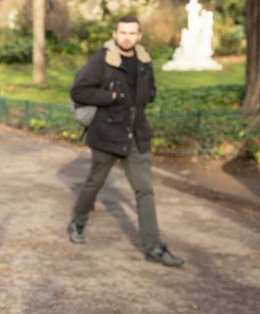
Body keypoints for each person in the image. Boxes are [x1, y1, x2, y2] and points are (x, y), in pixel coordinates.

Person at [68, 15, 184, 267]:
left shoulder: (144, 60)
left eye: (132, 33)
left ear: (139, 35)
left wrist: (148, 94)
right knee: (94, 183)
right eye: (123, 32)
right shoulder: (102, 60)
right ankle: (77, 221)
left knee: (145, 189)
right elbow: (78, 91)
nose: (127, 37)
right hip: (107, 134)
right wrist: (110, 95)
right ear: (115, 33)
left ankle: (153, 247)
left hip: (137, 135)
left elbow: (150, 90)